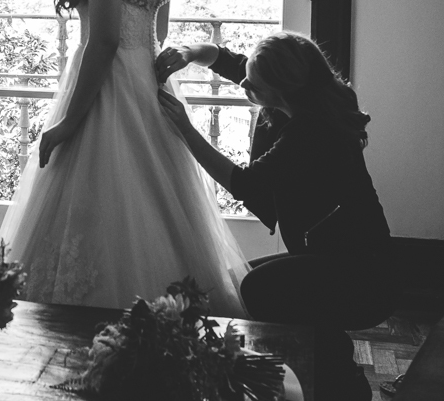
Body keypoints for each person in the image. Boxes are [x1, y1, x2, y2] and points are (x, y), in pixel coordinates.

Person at [0, 0, 249, 317]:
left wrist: (68, 122)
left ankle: (85, 327)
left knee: (99, 202)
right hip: (150, 83)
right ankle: (166, 324)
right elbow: (157, 33)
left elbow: (106, 39)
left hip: (107, 84)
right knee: (159, 204)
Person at [156, 32, 397, 400]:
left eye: (254, 85)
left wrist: (186, 130)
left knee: (257, 289)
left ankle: (339, 380)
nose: (245, 85)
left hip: (360, 275)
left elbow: (244, 183)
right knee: (240, 284)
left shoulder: (311, 131)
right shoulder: (309, 93)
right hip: (343, 256)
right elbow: (233, 63)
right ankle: (330, 365)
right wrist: (192, 52)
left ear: (281, 91)